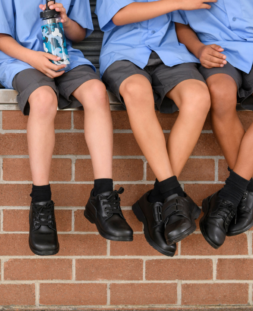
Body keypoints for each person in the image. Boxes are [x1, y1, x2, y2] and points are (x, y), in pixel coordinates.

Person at [0, 0, 134, 257]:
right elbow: (0, 38)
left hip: (64, 57)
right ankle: (41, 203)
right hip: (20, 59)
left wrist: (66, 20)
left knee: (97, 91)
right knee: (44, 100)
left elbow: (79, 34)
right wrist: (34, 57)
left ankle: (103, 196)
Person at [96, 0, 213, 256]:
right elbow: (120, 15)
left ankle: (158, 200)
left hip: (171, 53)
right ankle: (172, 194)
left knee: (198, 97)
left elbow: (185, 20)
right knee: (137, 92)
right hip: (124, 53)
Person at [175, 0, 253, 249]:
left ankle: (231, 196)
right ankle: (245, 191)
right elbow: (177, 22)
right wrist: (199, 49)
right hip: (216, 50)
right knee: (220, 94)